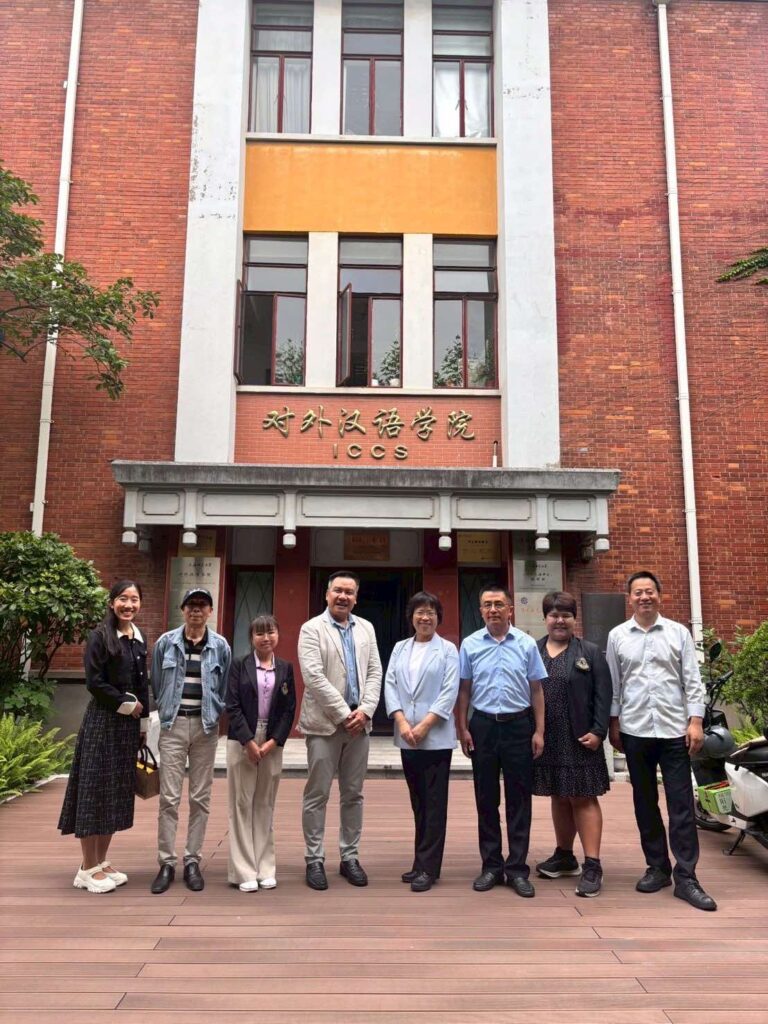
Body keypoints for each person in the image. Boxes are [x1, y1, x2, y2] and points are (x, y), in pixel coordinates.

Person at [607, 571, 716, 912]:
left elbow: (692, 679)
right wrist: (613, 723)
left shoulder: (678, 632)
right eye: (638, 592)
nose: (644, 597)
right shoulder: (617, 636)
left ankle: (687, 877)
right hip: (635, 730)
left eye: (650, 591)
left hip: (673, 730)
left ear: (659, 595)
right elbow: (614, 684)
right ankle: (657, 867)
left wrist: (695, 720)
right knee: (644, 802)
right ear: (630, 598)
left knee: (681, 804)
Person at [58, 580, 148, 893]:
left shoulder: (138, 638)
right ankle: (86, 868)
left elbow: (142, 684)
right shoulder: (100, 636)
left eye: (134, 599)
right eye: (123, 598)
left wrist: (143, 725)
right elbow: (94, 683)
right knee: (95, 790)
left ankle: (100, 860)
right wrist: (126, 704)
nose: (129, 605)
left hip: (128, 727)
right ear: (111, 603)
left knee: (116, 792)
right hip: (102, 722)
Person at [457, 584, 546, 897]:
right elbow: (464, 690)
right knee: (486, 798)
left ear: (510, 609)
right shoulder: (470, 644)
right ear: (481, 610)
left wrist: (539, 731)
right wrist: (462, 727)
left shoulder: (526, 644)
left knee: (519, 800)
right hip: (482, 726)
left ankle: (517, 869)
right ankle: (491, 866)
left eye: (498, 604)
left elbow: (537, 690)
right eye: (487, 605)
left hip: (518, 726)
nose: (492, 610)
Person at [297, 571, 382, 890]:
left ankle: (349, 857)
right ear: (327, 594)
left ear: (356, 598)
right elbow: (313, 676)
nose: (343, 596)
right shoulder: (311, 628)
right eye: (338, 590)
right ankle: (314, 859)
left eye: (349, 592)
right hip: (324, 725)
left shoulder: (367, 628)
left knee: (353, 794)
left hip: (360, 725)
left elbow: (374, 671)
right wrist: (345, 714)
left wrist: (366, 710)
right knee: (317, 793)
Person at [149, 587, 231, 894]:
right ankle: (167, 863)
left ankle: (192, 860)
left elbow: (223, 687)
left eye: (202, 605)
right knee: (169, 798)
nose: (196, 610)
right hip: (173, 726)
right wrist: (164, 711)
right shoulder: (165, 643)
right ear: (182, 610)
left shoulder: (220, 646)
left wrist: (215, 712)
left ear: (210, 611)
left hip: (205, 729)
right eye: (191, 605)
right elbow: (156, 682)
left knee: (200, 797)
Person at [533, 591, 611, 898]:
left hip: (580, 737)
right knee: (559, 794)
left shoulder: (589, 652)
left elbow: (604, 694)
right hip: (547, 737)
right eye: (553, 615)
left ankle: (593, 864)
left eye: (565, 615)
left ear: (574, 619)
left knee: (582, 797)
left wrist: (599, 731)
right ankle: (565, 855)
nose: (559, 620)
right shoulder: (534, 650)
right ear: (545, 619)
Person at [384, 591, 460, 892]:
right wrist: (402, 722)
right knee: (418, 801)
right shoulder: (400, 648)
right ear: (411, 616)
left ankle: (429, 868)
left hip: (436, 737)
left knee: (435, 803)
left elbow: (449, 690)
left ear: (438, 617)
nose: (425, 617)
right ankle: (420, 862)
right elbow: (390, 684)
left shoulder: (448, 650)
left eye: (431, 612)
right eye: (420, 611)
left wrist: (426, 724)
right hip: (407, 737)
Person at [226, 614, 296, 892]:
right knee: (241, 804)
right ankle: (244, 871)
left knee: (265, 803)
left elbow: (289, 708)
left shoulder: (285, 667)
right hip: (242, 738)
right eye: (259, 633)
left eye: (270, 632)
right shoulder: (239, 665)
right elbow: (232, 705)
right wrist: (248, 741)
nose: (266, 638)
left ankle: (265, 868)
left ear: (278, 634)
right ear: (251, 638)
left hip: (271, 740)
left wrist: (273, 741)